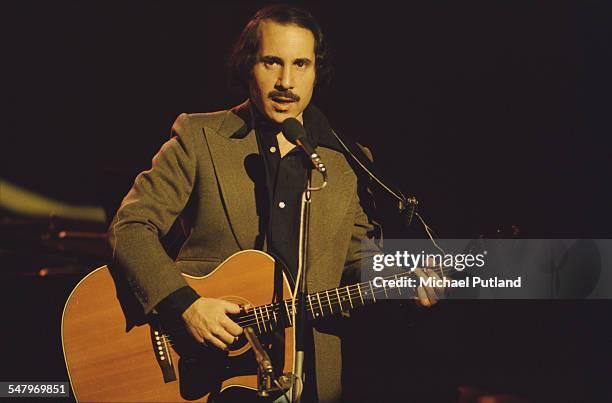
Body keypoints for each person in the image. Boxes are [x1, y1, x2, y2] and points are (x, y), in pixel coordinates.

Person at [108, 5, 442, 402]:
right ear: (249, 65)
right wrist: (185, 306)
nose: (287, 81)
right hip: (205, 374)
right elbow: (129, 228)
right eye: (272, 62)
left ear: (317, 71)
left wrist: (402, 277)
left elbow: (353, 258)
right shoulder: (200, 137)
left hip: (308, 377)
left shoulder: (346, 160)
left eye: (301, 64)